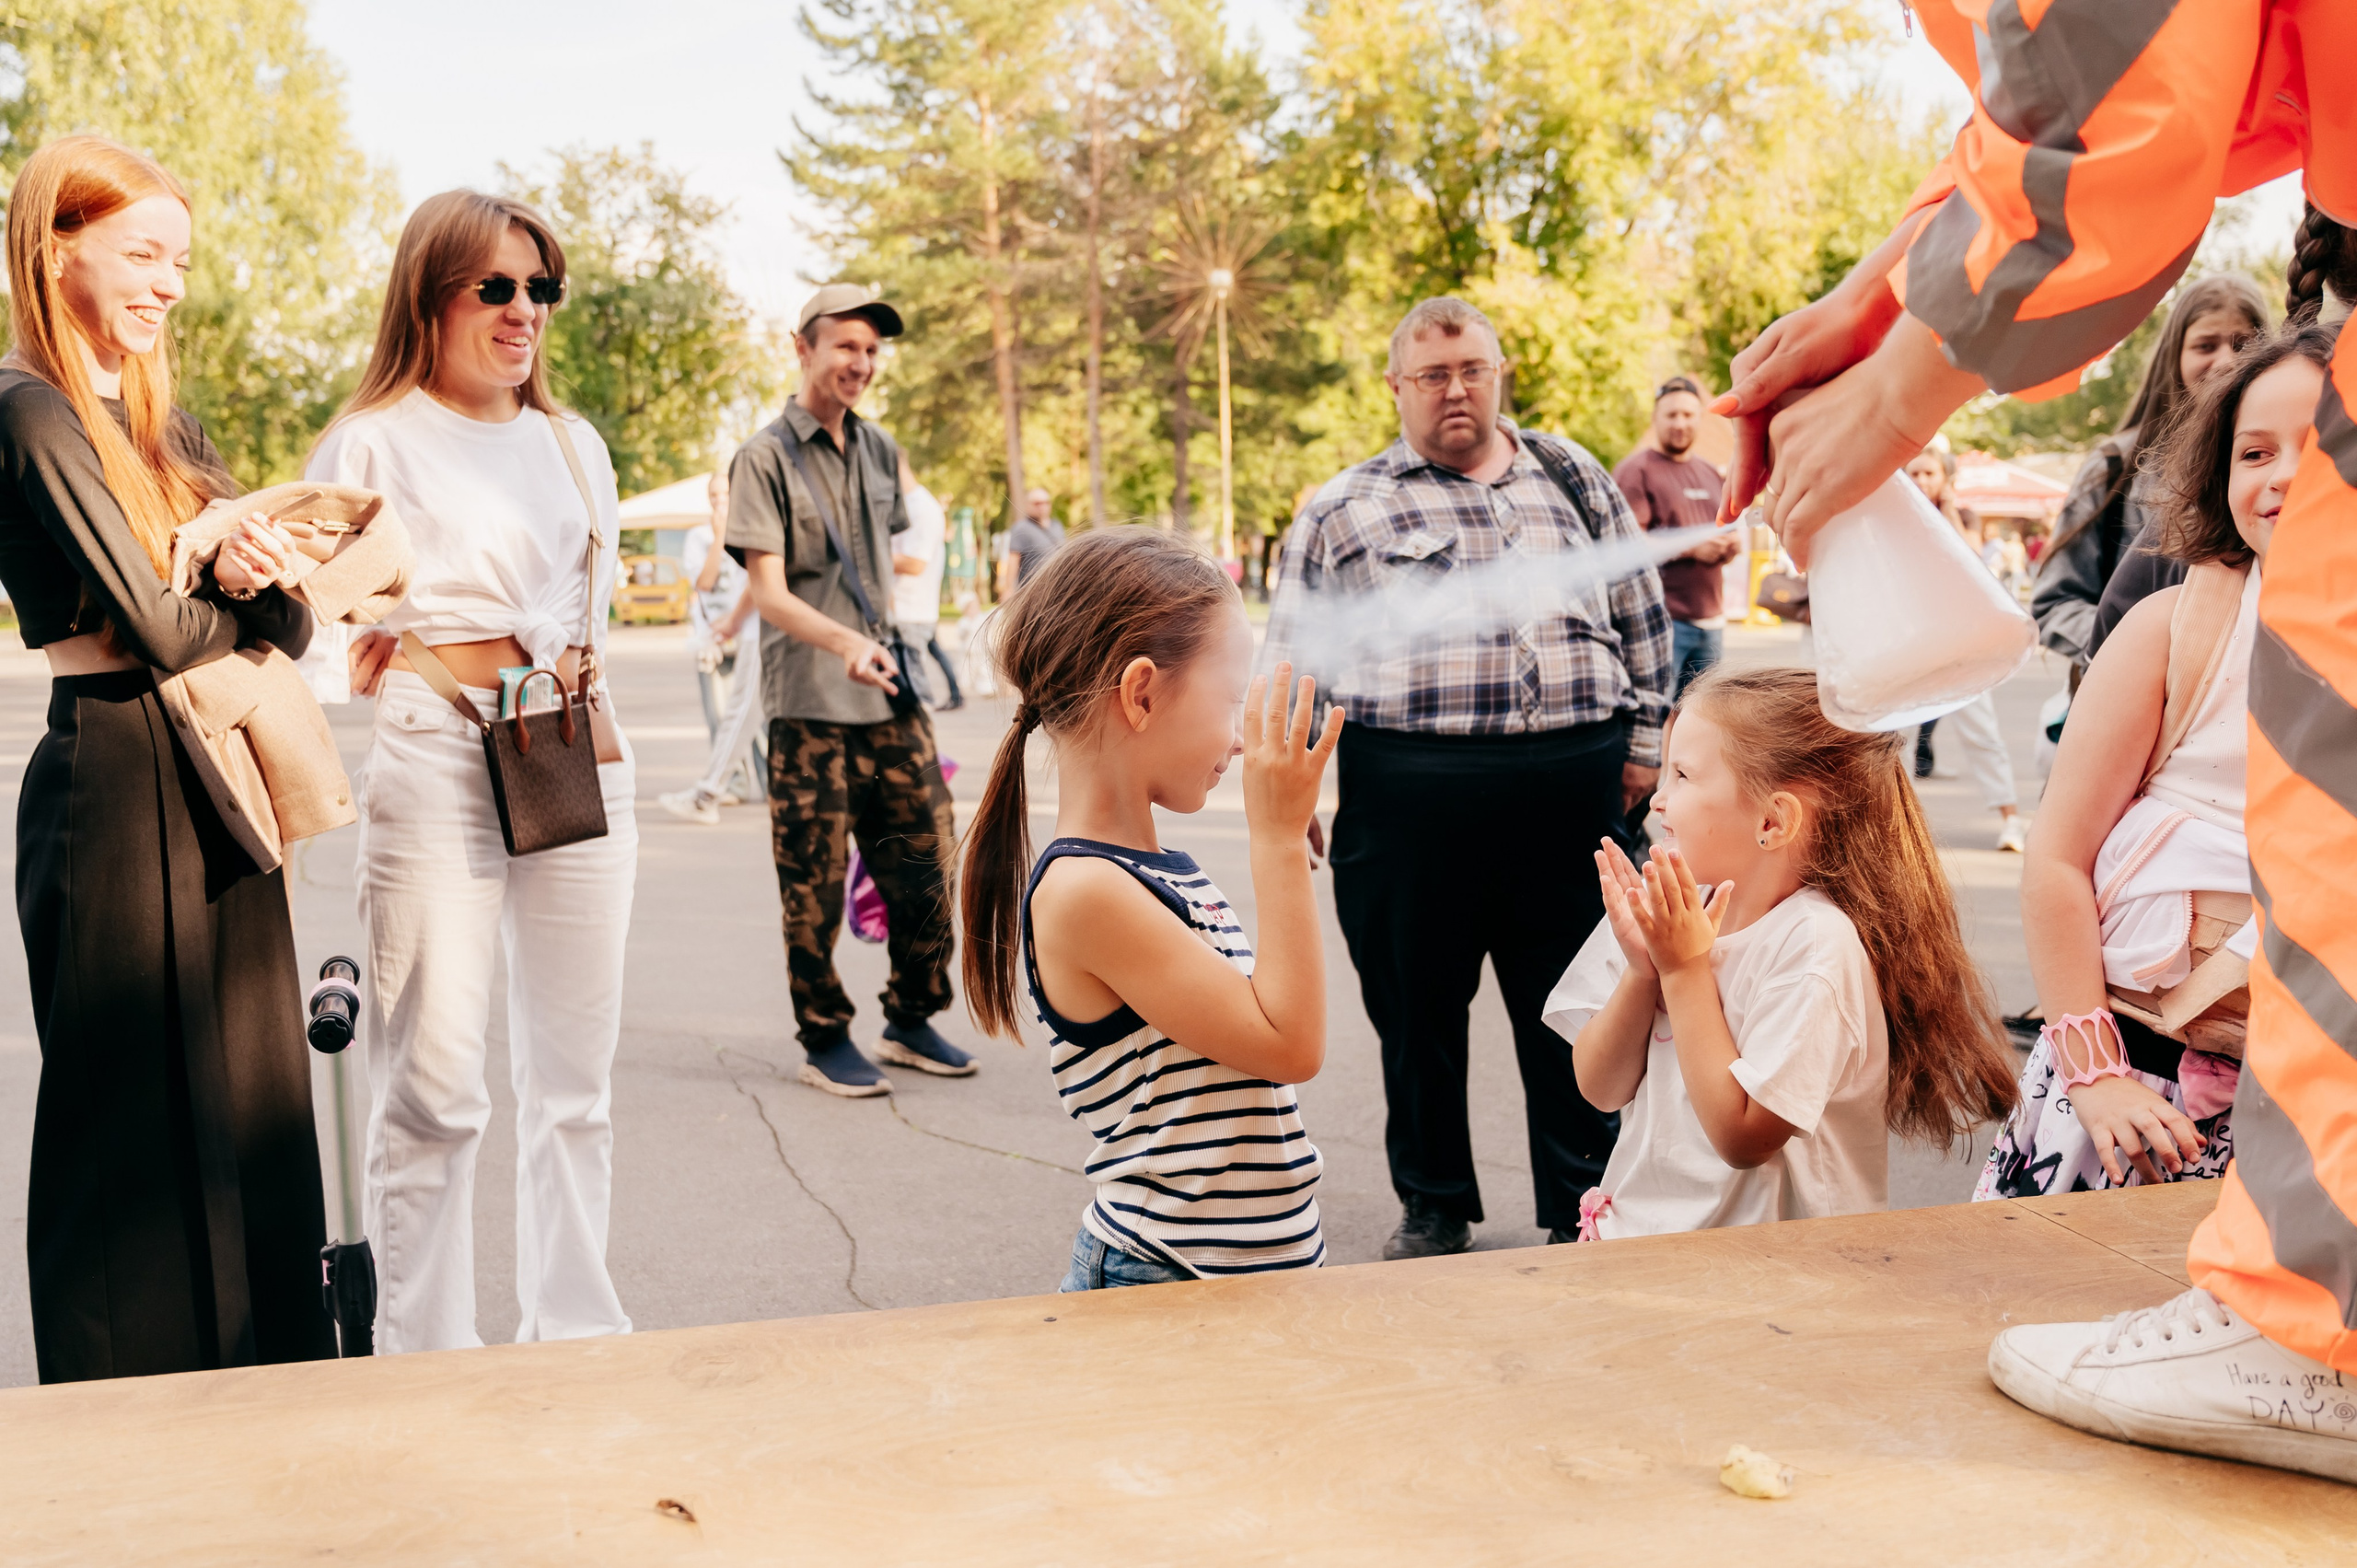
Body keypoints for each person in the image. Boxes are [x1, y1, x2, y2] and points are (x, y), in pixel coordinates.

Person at [1714, 2, 2357, 1481]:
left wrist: (1901, 387)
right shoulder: (2166, 619)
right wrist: (1889, 297)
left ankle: (2320, 1328)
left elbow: (2128, 93)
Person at [0, 136, 336, 1381]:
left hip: (213, 773)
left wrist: (242, 572)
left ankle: (254, 1402)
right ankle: (121, 1433)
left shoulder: (156, 413)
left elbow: (296, 617)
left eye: (179, 260)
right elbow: (149, 628)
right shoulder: (29, 408)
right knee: (126, 1128)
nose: (168, 285)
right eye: (144, 253)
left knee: (248, 1090)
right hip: (109, 777)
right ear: (56, 247)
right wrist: (227, 574)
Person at [1264, 296, 1673, 1259]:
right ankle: (1434, 1201)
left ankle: (1579, 1200)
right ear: (1397, 386)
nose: (1456, 389)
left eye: (1472, 369)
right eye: (1433, 374)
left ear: (1501, 373)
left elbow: (1642, 615)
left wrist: (1648, 745)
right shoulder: (1343, 506)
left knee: (1580, 1005)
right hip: (1409, 793)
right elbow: (1290, 660)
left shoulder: (1574, 479)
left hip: (1575, 788)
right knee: (1415, 1014)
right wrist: (1289, 798)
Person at [308, 191, 637, 1354]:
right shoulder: (372, 439)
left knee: (575, 1084)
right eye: (493, 285)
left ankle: (577, 1333)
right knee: (436, 1091)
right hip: (440, 750)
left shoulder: (571, 441)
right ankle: (427, 1362)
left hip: (566, 747)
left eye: (540, 286)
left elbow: (582, 600)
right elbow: (305, 621)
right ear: (429, 293)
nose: (522, 309)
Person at [1980, 323, 2323, 1203]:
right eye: (2255, 452)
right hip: (2129, 1090)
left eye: (2325, 445)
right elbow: (2056, 859)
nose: (2283, 474)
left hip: (2310, 1130)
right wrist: (2094, 1073)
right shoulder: (2171, 631)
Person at [958, 528, 1341, 1288]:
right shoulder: (1086, 892)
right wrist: (1275, 837)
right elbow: (1292, 1042)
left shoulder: (1155, 871)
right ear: (1140, 693)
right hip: (1168, 1279)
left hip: (1234, 1271)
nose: (1239, 739)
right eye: (1231, 699)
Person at [1545, 667, 2015, 1238]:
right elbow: (1600, 1087)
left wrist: (1684, 970)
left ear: (1773, 819)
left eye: (1683, 774)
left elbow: (1742, 1138)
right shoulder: (1671, 909)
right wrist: (1644, 975)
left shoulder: (1815, 946)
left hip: (1771, 1274)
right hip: (1642, 1240)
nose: (1659, 798)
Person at [726, 283, 970, 1096]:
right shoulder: (762, 457)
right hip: (809, 706)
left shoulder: (878, 449)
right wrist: (846, 642)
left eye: (871, 351)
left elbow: (886, 556)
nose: (860, 363)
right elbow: (769, 591)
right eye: (845, 347)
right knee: (814, 885)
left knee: (928, 864)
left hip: (888, 693)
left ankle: (910, 1014)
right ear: (803, 349)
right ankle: (823, 1034)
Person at [2029, 273, 2269, 678]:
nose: (2226, 361)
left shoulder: (2280, 466)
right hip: (2133, 705)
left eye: (2243, 345)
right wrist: (2141, 651)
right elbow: (2055, 603)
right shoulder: (2114, 466)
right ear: (2174, 354)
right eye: (2205, 345)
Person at [1904, 447, 2026, 851]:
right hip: (1912, 643)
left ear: (1945, 478)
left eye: (1929, 474)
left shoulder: (1963, 517)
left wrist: (1949, 504)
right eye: (1914, 473)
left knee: (1982, 732)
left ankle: (2010, 819)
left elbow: (1968, 556)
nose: (1921, 482)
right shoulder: (1895, 516)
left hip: (1963, 645)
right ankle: (1895, 831)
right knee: (1893, 739)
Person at [1611, 377, 1741, 699]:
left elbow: (1723, 529)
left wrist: (1729, 547)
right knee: (1656, 717)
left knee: (1700, 720)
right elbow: (1625, 546)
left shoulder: (1711, 472)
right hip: (1661, 623)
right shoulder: (1635, 472)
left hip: (1711, 622)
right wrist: (1694, 549)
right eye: (1671, 415)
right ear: (1655, 418)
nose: (1680, 423)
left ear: (1699, 418)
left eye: (1688, 415)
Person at [659, 470, 768, 826]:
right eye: (714, 496)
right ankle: (719, 788)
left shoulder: (754, 521)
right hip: (721, 635)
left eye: (726, 494)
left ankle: (710, 793)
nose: (721, 502)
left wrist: (735, 620)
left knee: (745, 715)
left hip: (753, 628)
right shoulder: (703, 536)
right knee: (730, 715)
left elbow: (759, 579)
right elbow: (704, 583)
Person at [891, 455, 962, 710]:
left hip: (910, 614)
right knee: (900, 704)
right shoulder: (905, 503)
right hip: (901, 613)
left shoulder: (922, 508)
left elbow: (914, 563)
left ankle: (955, 696)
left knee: (910, 706)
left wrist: (864, 557)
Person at [997, 486, 1062, 598]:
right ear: (1028, 505)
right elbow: (1013, 561)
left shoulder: (1057, 527)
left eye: (1045, 502)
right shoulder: (1021, 529)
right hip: (1032, 594)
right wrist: (1008, 591)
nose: (1042, 507)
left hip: (1057, 591)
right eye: (1037, 503)